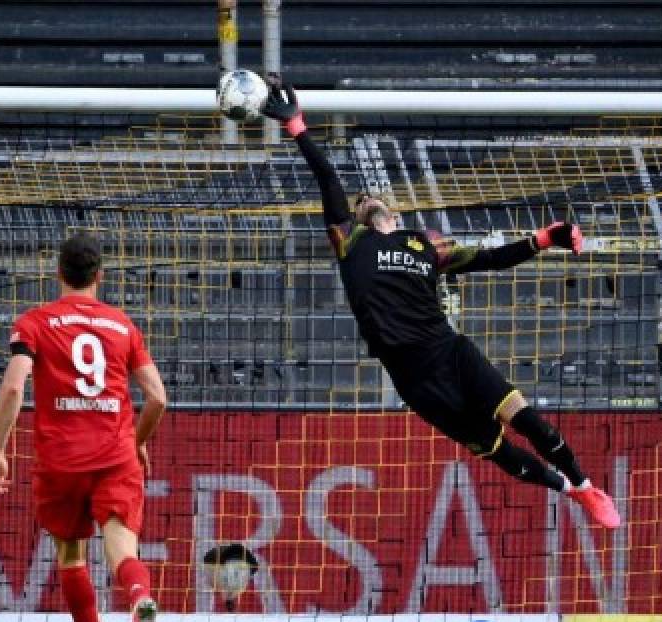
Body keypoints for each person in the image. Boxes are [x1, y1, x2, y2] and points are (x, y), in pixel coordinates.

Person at [260, 77, 621, 529]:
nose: (362, 201)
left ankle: (586, 488)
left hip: (450, 352)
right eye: (358, 203)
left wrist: (546, 238)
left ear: (393, 214)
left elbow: (491, 259)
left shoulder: (426, 246)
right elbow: (327, 179)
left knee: (530, 423)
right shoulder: (350, 243)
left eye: (369, 198)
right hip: (414, 380)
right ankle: (568, 492)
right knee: (502, 454)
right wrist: (297, 126)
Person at [0, 232, 168, 622]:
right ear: (99, 277)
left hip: (61, 459)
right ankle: (140, 599)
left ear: (58, 273)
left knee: (71, 557)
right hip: (115, 454)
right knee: (122, 550)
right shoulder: (122, 325)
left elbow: (13, 386)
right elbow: (158, 398)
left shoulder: (35, 323)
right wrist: (138, 440)